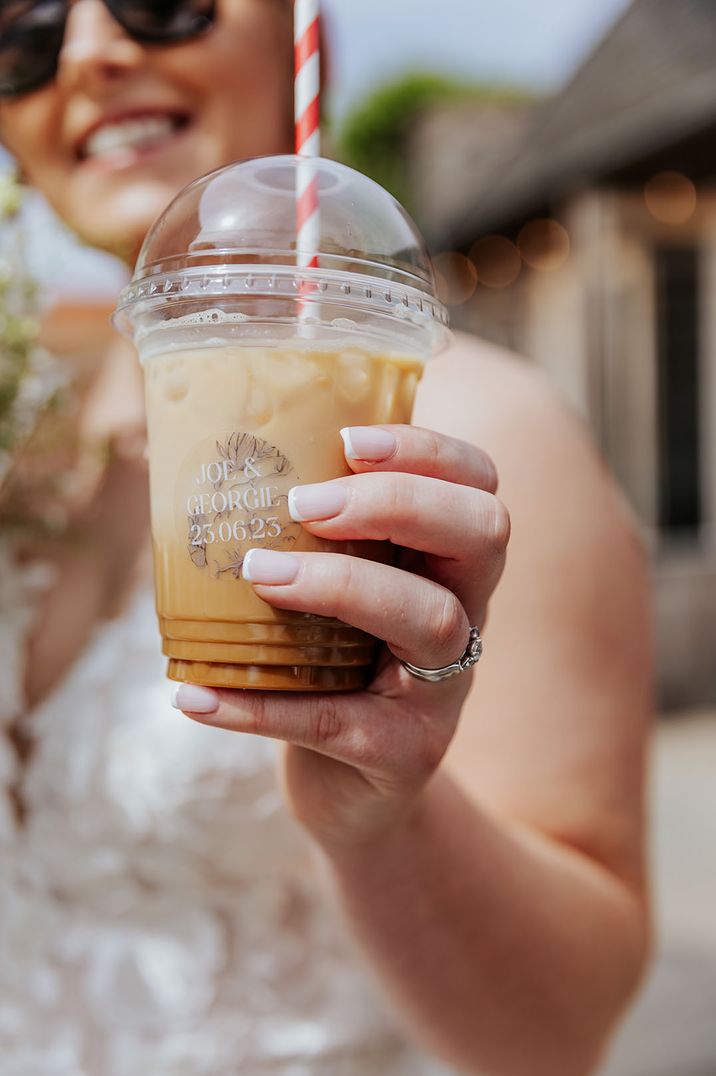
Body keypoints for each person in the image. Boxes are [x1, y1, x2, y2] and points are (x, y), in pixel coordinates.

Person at [0, 2, 651, 1074]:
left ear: (303, 35)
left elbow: (554, 1037)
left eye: (158, 1)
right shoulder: (27, 435)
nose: (89, 52)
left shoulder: (469, 441)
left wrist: (383, 825)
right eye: (22, 33)